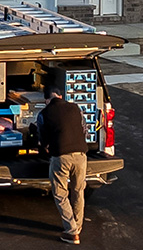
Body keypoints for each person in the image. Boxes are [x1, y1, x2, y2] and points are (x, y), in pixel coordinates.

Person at [37, 85, 88, 245]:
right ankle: (77, 227)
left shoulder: (44, 113)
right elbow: (85, 130)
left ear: (47, 99)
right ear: (60, 96)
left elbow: (43, 142)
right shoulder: (75, 108)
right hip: (81, 155)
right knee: (78, 191)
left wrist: (45, 147)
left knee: (60, 194)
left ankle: (71, 231)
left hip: (61, 157)